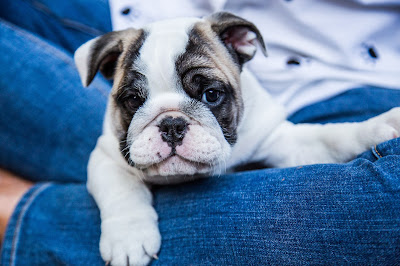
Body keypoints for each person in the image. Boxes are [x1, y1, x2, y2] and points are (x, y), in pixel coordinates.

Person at [1, 0, 400, 264]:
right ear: (104, 72)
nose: (172, 128)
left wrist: (361, 136)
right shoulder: (116, 55)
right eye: (137, 102)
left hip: (348, 75)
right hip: (121, 15)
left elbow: (293, 145)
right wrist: (125, 215)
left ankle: (22, 213)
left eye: (209, 95)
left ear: (243, 46)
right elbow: (108, 159)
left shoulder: (258, 113)